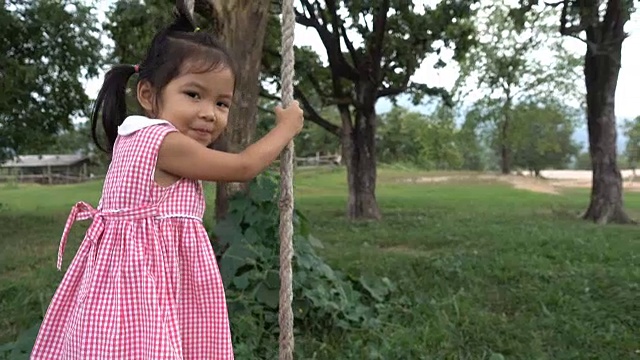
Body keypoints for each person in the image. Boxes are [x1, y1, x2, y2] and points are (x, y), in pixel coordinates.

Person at [30, 5, 303, 360]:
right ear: (148, 95)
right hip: (142, 287)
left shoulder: (132, 138)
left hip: (132, 281)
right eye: (193, 95)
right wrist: (286, 128)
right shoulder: (163, 141)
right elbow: (243, 166)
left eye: (222, 103)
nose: (209, 112)